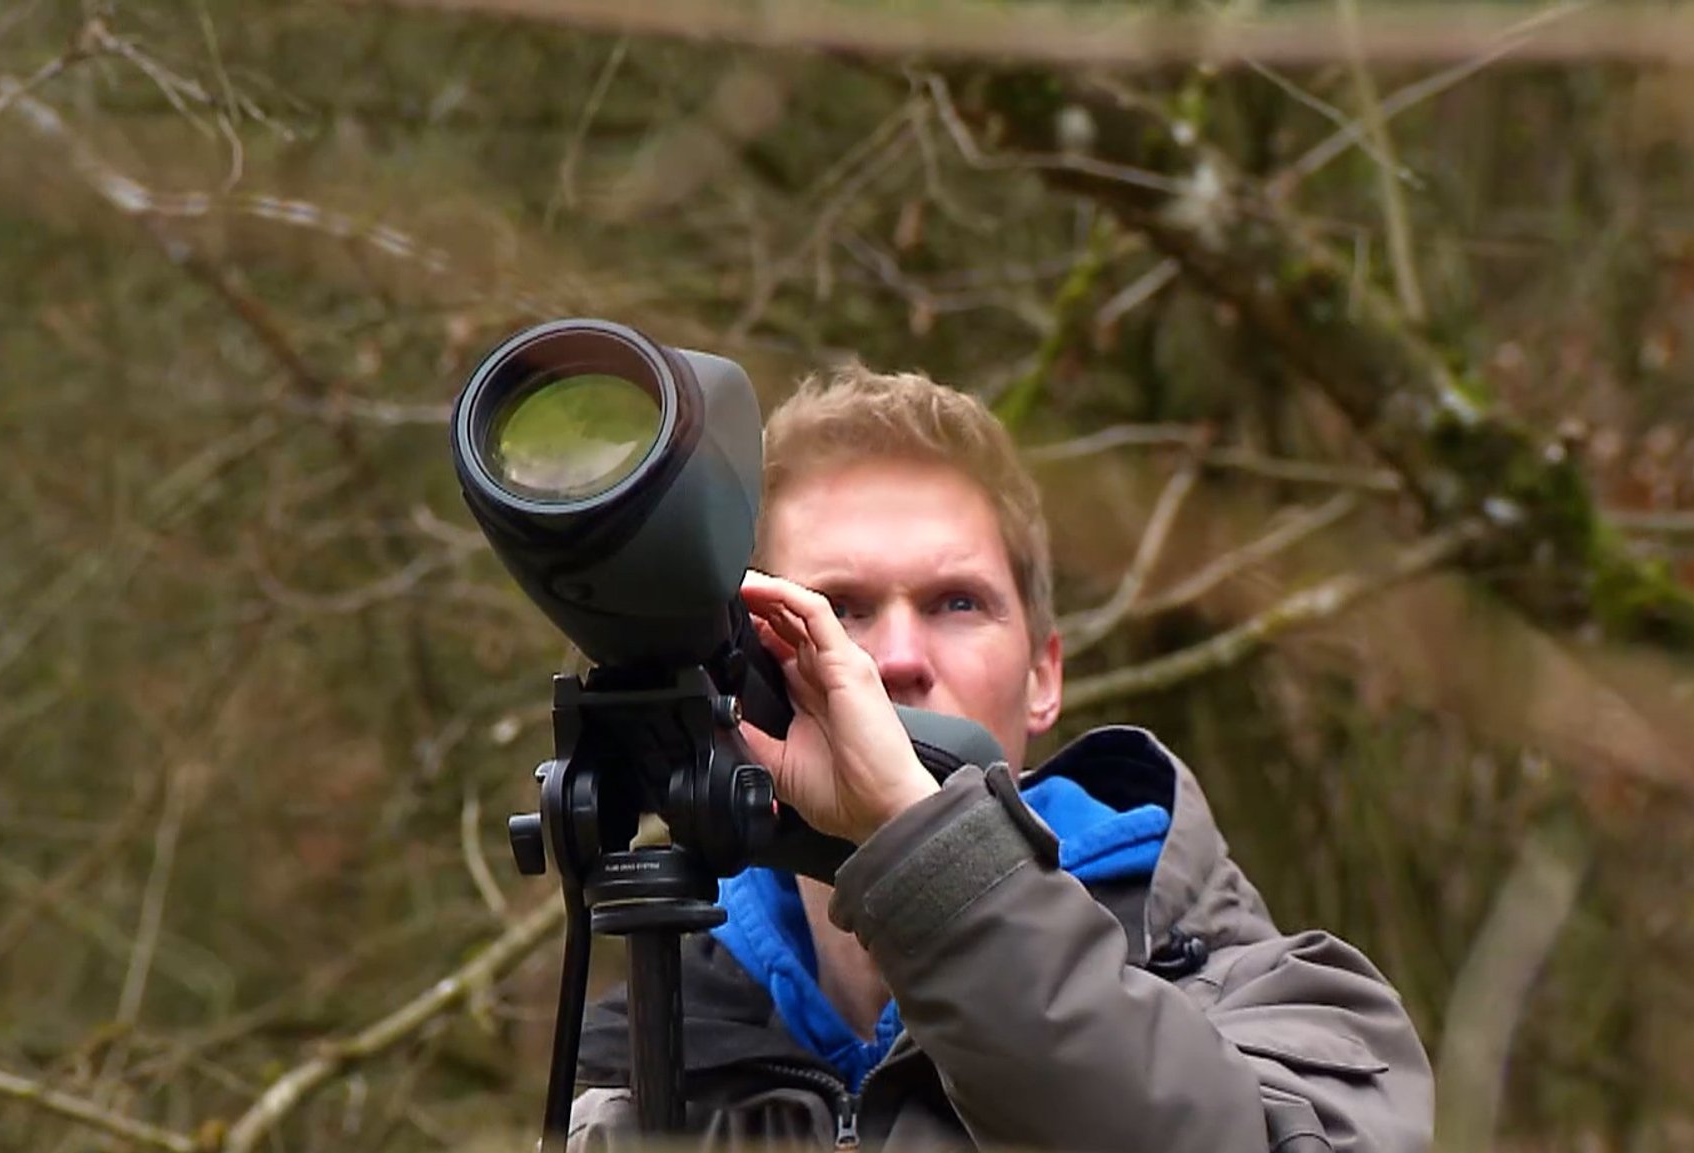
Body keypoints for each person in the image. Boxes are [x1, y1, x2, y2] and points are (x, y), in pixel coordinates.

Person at [566, 365, 1435, 1152]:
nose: (896, 657)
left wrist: (933, 865)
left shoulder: (1284, 1007)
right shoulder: (630, 1078)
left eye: (956, 601)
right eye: (839, 607)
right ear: (746, 665)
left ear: (1043, 676)